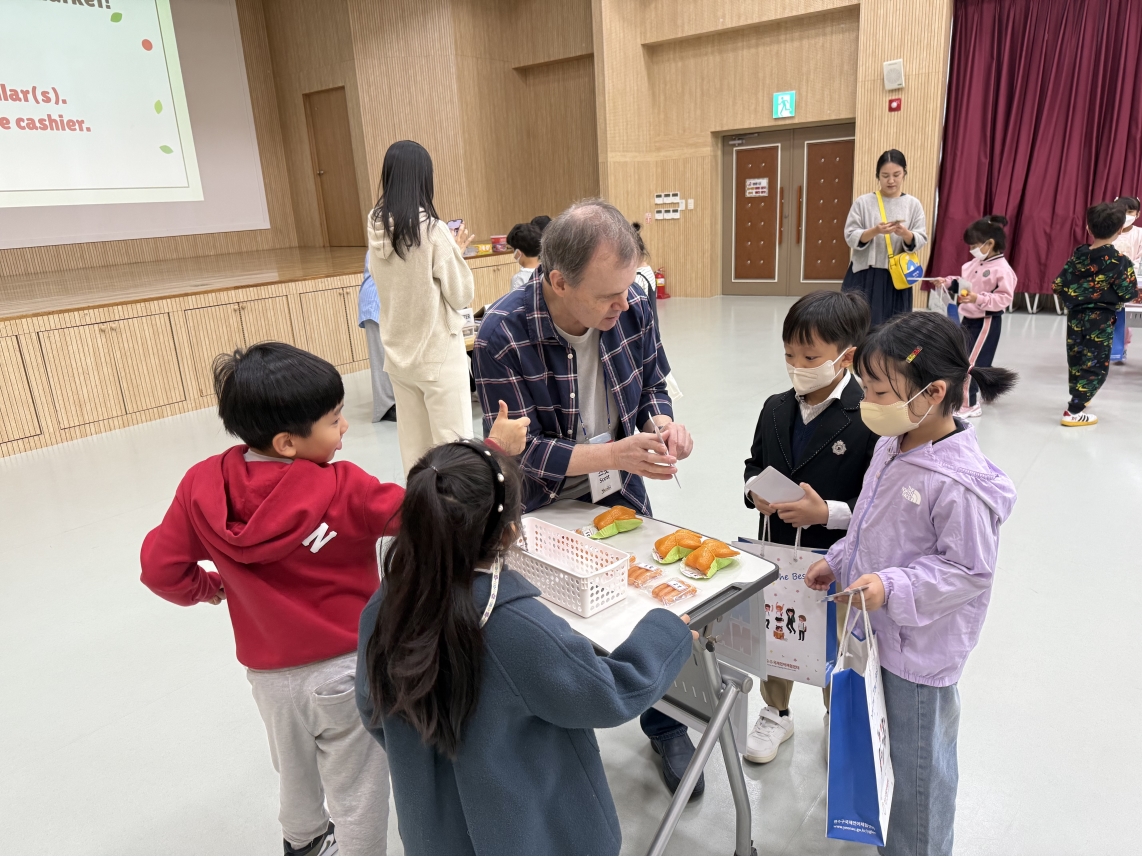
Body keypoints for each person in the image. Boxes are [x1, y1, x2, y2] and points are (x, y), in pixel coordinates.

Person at [355, 440, 695, 855]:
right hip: (534, 833)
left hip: (433, 829)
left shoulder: (383, 605)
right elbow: (609, 693)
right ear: (511, 532)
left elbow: (371, 709)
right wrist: (665, 633)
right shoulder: (514, 625)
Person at [472, 199, 703, 797]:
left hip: (620, 486)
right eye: (606, 296)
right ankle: (557, 737)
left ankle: (666, 720)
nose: (622, 305)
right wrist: (617, 453)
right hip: (541, 501)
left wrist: (662, 420)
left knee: (643, 600)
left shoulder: (633, 301)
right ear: (556, 281)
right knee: (552, 617)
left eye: (628, 290)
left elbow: (654, 377)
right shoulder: (501, 334)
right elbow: (514, 453)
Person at [139, 342, 406, 857]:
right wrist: (494, 452)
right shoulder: (346, 488)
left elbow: (158, 568)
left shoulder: (201, 487)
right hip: (347, 669)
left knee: (294, 769)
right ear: (287, 442)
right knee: (358, 788)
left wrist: (212, 587)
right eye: (334, 420)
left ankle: (303, 843)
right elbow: (430, 511)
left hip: (268, 676)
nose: (346, 427)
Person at [805, 312, 1018, 856]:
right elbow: (872, 521)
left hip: (918, 654)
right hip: (875, 634)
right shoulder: (893, 442)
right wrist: (840, 559)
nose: (867, 401)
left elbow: (968, 571)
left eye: (878, 390)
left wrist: (892, 587)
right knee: (882, 753)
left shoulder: (958, 485)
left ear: (934, 392)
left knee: (919, 771)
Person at [741, 290, 877, 764]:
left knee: (837, 640)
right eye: (789, 355)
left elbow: (877, 502)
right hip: (776, 548)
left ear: (846, 357)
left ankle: (835, 713)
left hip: (836, 555)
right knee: (777, 628)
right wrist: (753, 490)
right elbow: (753, 463)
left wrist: (827, 514)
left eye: (810, 356)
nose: (798, 365)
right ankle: (775, 711)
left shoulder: (867, 416)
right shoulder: (775, 407)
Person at [367, 140, 476, 473]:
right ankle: (460, 523)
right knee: (456, 455)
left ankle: (422, 519)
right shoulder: (432, 230)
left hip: (399, 357)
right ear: (423, 178)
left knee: (415, 455)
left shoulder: (375, 225)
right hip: (438, 355)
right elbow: (462, 294)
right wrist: (454, 250)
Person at [1052, 201, 1139, 426]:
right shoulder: (1119, 262)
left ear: (1088, 229)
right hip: (1100, 319)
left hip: (1075, 317)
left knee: (1077, 357)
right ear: (1120, 230)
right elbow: (1128, 292)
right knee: (1096, 362)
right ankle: (1074, 410)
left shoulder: (1078, 256)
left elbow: (1058, 285)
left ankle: (1080, 394)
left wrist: (1078, 298)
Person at [931, 216, 1016, 418]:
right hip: (967, 319)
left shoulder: (1002, 269)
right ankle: (978, 391)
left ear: (990, 244)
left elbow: (1004, 298)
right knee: (965, 358)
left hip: (986, 321)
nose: (972, 250)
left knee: (970, 363)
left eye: (975, 245)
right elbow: (964, 283)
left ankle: (970, 404)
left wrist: (978, 298)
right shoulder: (975, 263)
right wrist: (948, 282)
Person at [842, 149, 928, 326]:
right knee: (859, 325)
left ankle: (890, 355)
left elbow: (921, 237)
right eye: (885, 175)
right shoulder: (863, 202)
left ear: (905, 173)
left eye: (896, 174)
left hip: (897, 276)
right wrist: (875, 231)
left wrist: (906, 234)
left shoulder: (913, 204)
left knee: (895, 328)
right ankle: (859, 355)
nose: (891, 181)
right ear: (877, 176)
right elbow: (850, 236)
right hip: (865, 274)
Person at [357, 250, 397, 422]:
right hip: (377, 301)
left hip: (389, 301)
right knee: (381, 358)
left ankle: (394, 401)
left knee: (390, 356)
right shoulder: (382, 242)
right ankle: (386, 407)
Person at [1110, 196, 1142, 363]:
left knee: (1126, 318)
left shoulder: (1140, 234)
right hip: (1110, 281)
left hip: (1132, 280)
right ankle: (1111, 349)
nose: (1126, 215)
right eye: (1123, 212)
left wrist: (1130, 267)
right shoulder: (1110, 233)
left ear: (1137, 214)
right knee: (1110, 316)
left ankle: (1123, 347)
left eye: (1130, 212)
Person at [506, 221, 542, 290]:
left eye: (513, 250)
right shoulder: (546, 272)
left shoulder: (519, 279)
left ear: (518, 253)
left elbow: (515, 300)